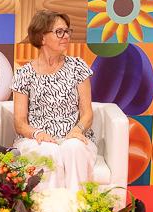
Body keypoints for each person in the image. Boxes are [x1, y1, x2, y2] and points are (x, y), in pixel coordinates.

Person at [11, 11, 97, 190]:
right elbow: (20, 123)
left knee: (73, 148)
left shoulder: (77, 67)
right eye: (59, 32)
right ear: (42, 37)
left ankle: (77, 205)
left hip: (72, 137)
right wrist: (38, 134)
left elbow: (87, 113)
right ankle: (48, 206)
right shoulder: (24, 74)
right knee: (48, 151)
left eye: (67, 31)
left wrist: (77, 130)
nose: (66, 36)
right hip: (36, 140)